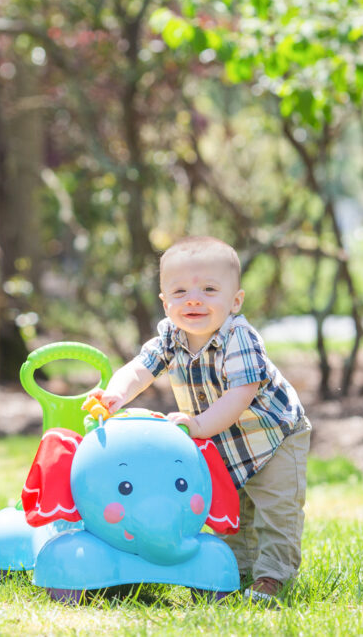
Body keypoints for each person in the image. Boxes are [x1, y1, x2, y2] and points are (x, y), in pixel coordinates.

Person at [85, 235, 311, 603]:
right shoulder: (170, 337)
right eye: (180, 291)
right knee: (230, 508)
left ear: (235, 300)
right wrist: (116, 394)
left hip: (274, 436)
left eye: (209, 289)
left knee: (275, 510)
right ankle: (233, 572)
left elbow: (241, 394)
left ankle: (273, 579)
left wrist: (199, 425)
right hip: (226, 442)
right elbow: (140, 370)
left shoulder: (240, 336)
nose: (193, 299)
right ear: (165, 302)